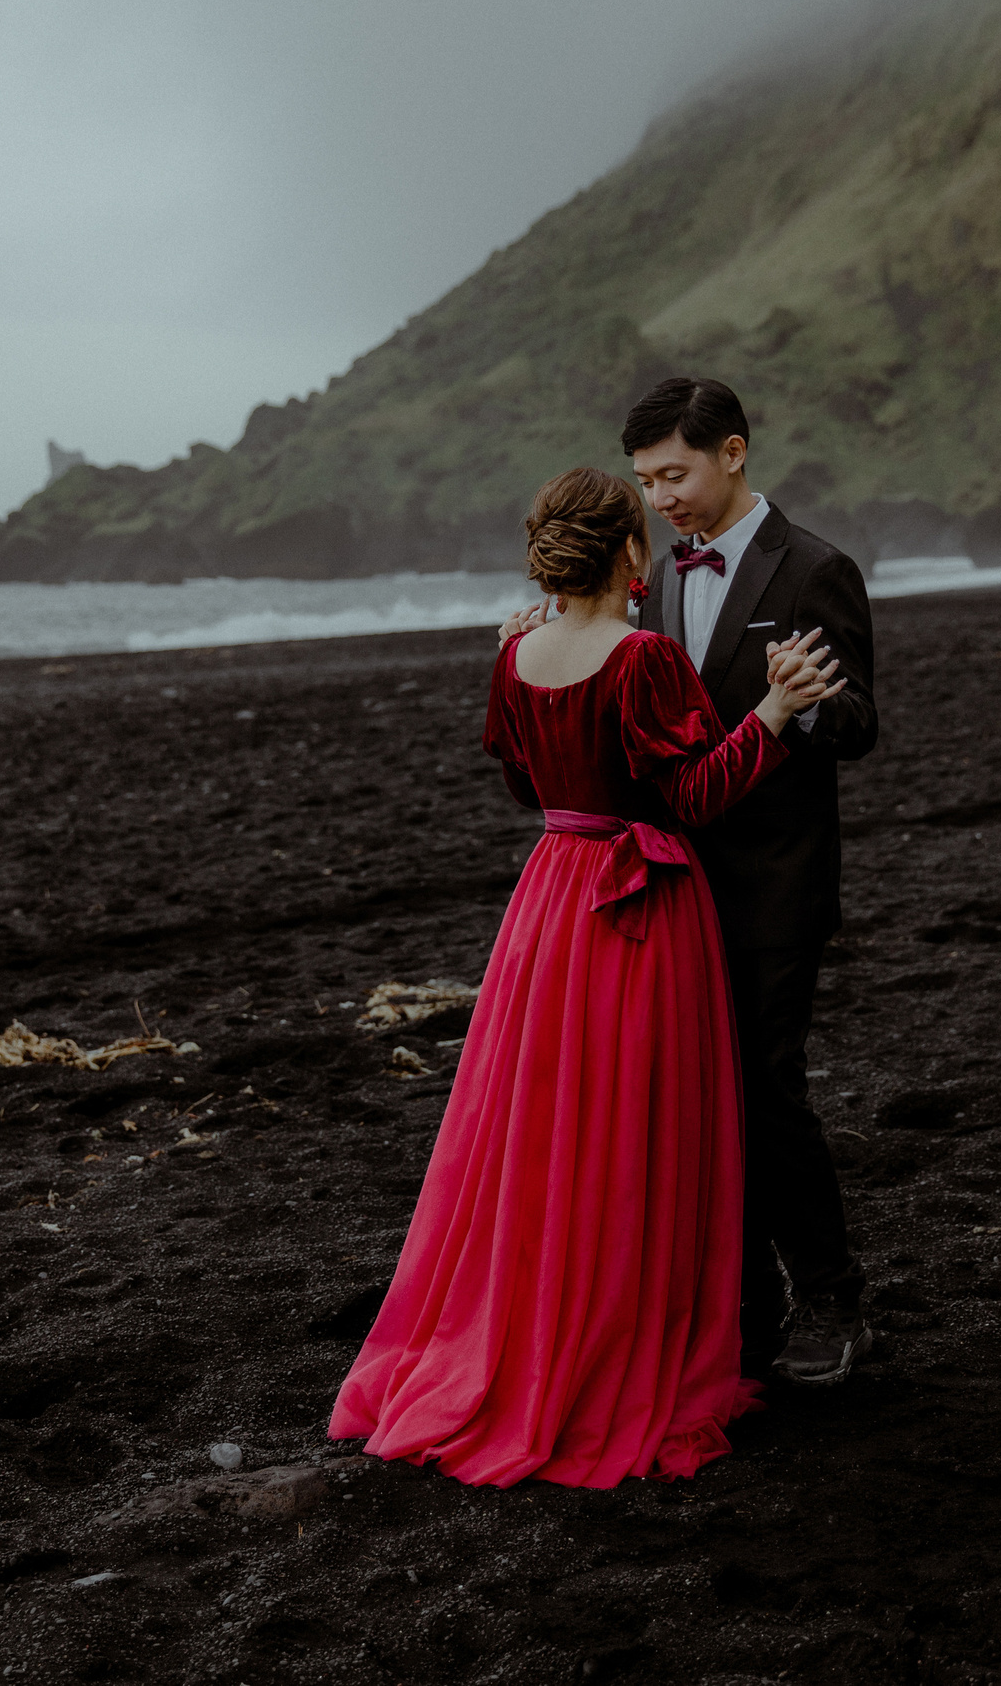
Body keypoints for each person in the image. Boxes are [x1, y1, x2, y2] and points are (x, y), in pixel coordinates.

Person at [329, 467, 842, 1488]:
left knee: (542, 1129)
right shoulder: (644, 658)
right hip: (641, 908)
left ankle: (531, 1328)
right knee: (635, 1132)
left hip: (550, 903)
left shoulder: (517, 654)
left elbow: (524, 781)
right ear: (628, 557)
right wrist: (778, 709)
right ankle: (623, 1337)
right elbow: (695, 796)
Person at [504, 377, 881, 1388]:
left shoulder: (816, 570)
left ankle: (829, 1299)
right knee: (689, 1107)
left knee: (765, 1096)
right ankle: (735, 1305)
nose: (661, 496)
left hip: (772, 887)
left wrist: (788, 705)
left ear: (733, 453)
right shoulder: (652, 583)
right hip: (665, 889)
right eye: (644, 481)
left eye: (673, 473)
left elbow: (857, 727)